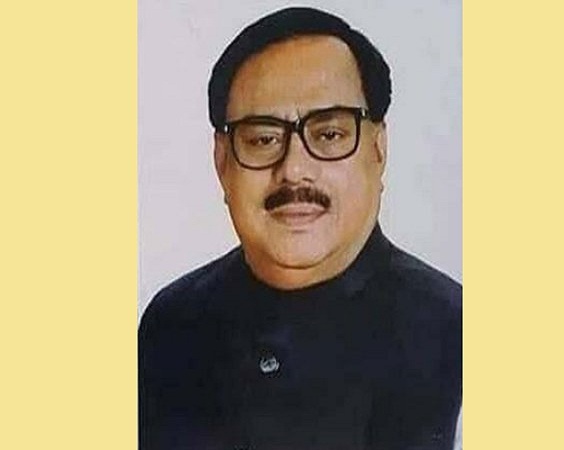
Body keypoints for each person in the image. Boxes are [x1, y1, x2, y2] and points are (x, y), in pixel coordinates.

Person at [139, 7, 462, 450]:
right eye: (263, 139)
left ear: (378, 149)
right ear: (222, 162)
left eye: (329, 135)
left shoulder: (454, 333)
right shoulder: (172, 326)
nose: (293, 169)